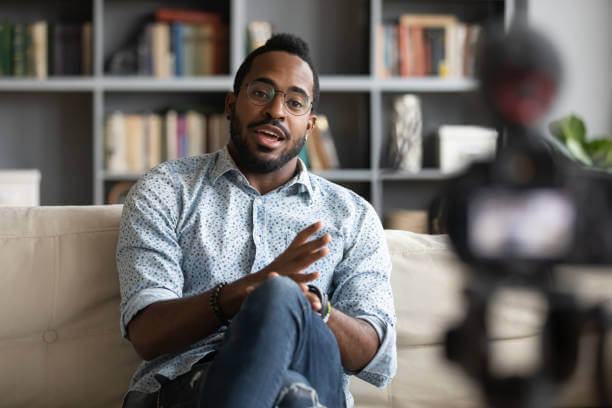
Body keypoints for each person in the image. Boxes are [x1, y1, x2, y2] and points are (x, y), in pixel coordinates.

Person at [117, 33, 396, 408]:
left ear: (309, 126)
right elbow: (147, 334)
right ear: (231, 104)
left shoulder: (352, 216)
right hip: (190, 387)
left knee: (285, 302)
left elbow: (374, 357)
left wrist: (312, 307)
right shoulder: (166, 189)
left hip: (317, 376)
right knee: (294, 394)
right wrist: (247, 290)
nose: (276, 111)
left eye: (294, 102)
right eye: (262, 93)